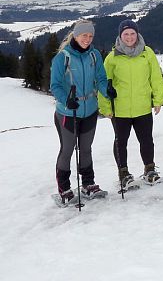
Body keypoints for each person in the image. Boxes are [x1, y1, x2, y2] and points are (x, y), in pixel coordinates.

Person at [50, 19, 112, 206]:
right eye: (84, 35)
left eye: (90, 35)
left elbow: (101, 78)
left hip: (90, 110)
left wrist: (107, 90)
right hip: (68, 112)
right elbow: (55, 85)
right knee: (67, 150)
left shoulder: (94, 55)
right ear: (75, 35)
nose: (87, 39)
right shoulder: (63, 57)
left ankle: (88, 184)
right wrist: (66, 100)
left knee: (86, 149)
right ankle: (65, 189)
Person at [98, 19, 163, 189]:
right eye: (125, 34)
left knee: (146, 140)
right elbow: (103, 84)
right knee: (121, 142)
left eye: (132, 33)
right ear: (120, 36)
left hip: (142, 106)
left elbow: (156, 78)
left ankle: (150, 170)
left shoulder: (146, 53)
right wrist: (105, 106)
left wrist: (158, 100)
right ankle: (123, 173)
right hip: (120, 109)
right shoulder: (112, 58)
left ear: (137, 34)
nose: (129, 37)